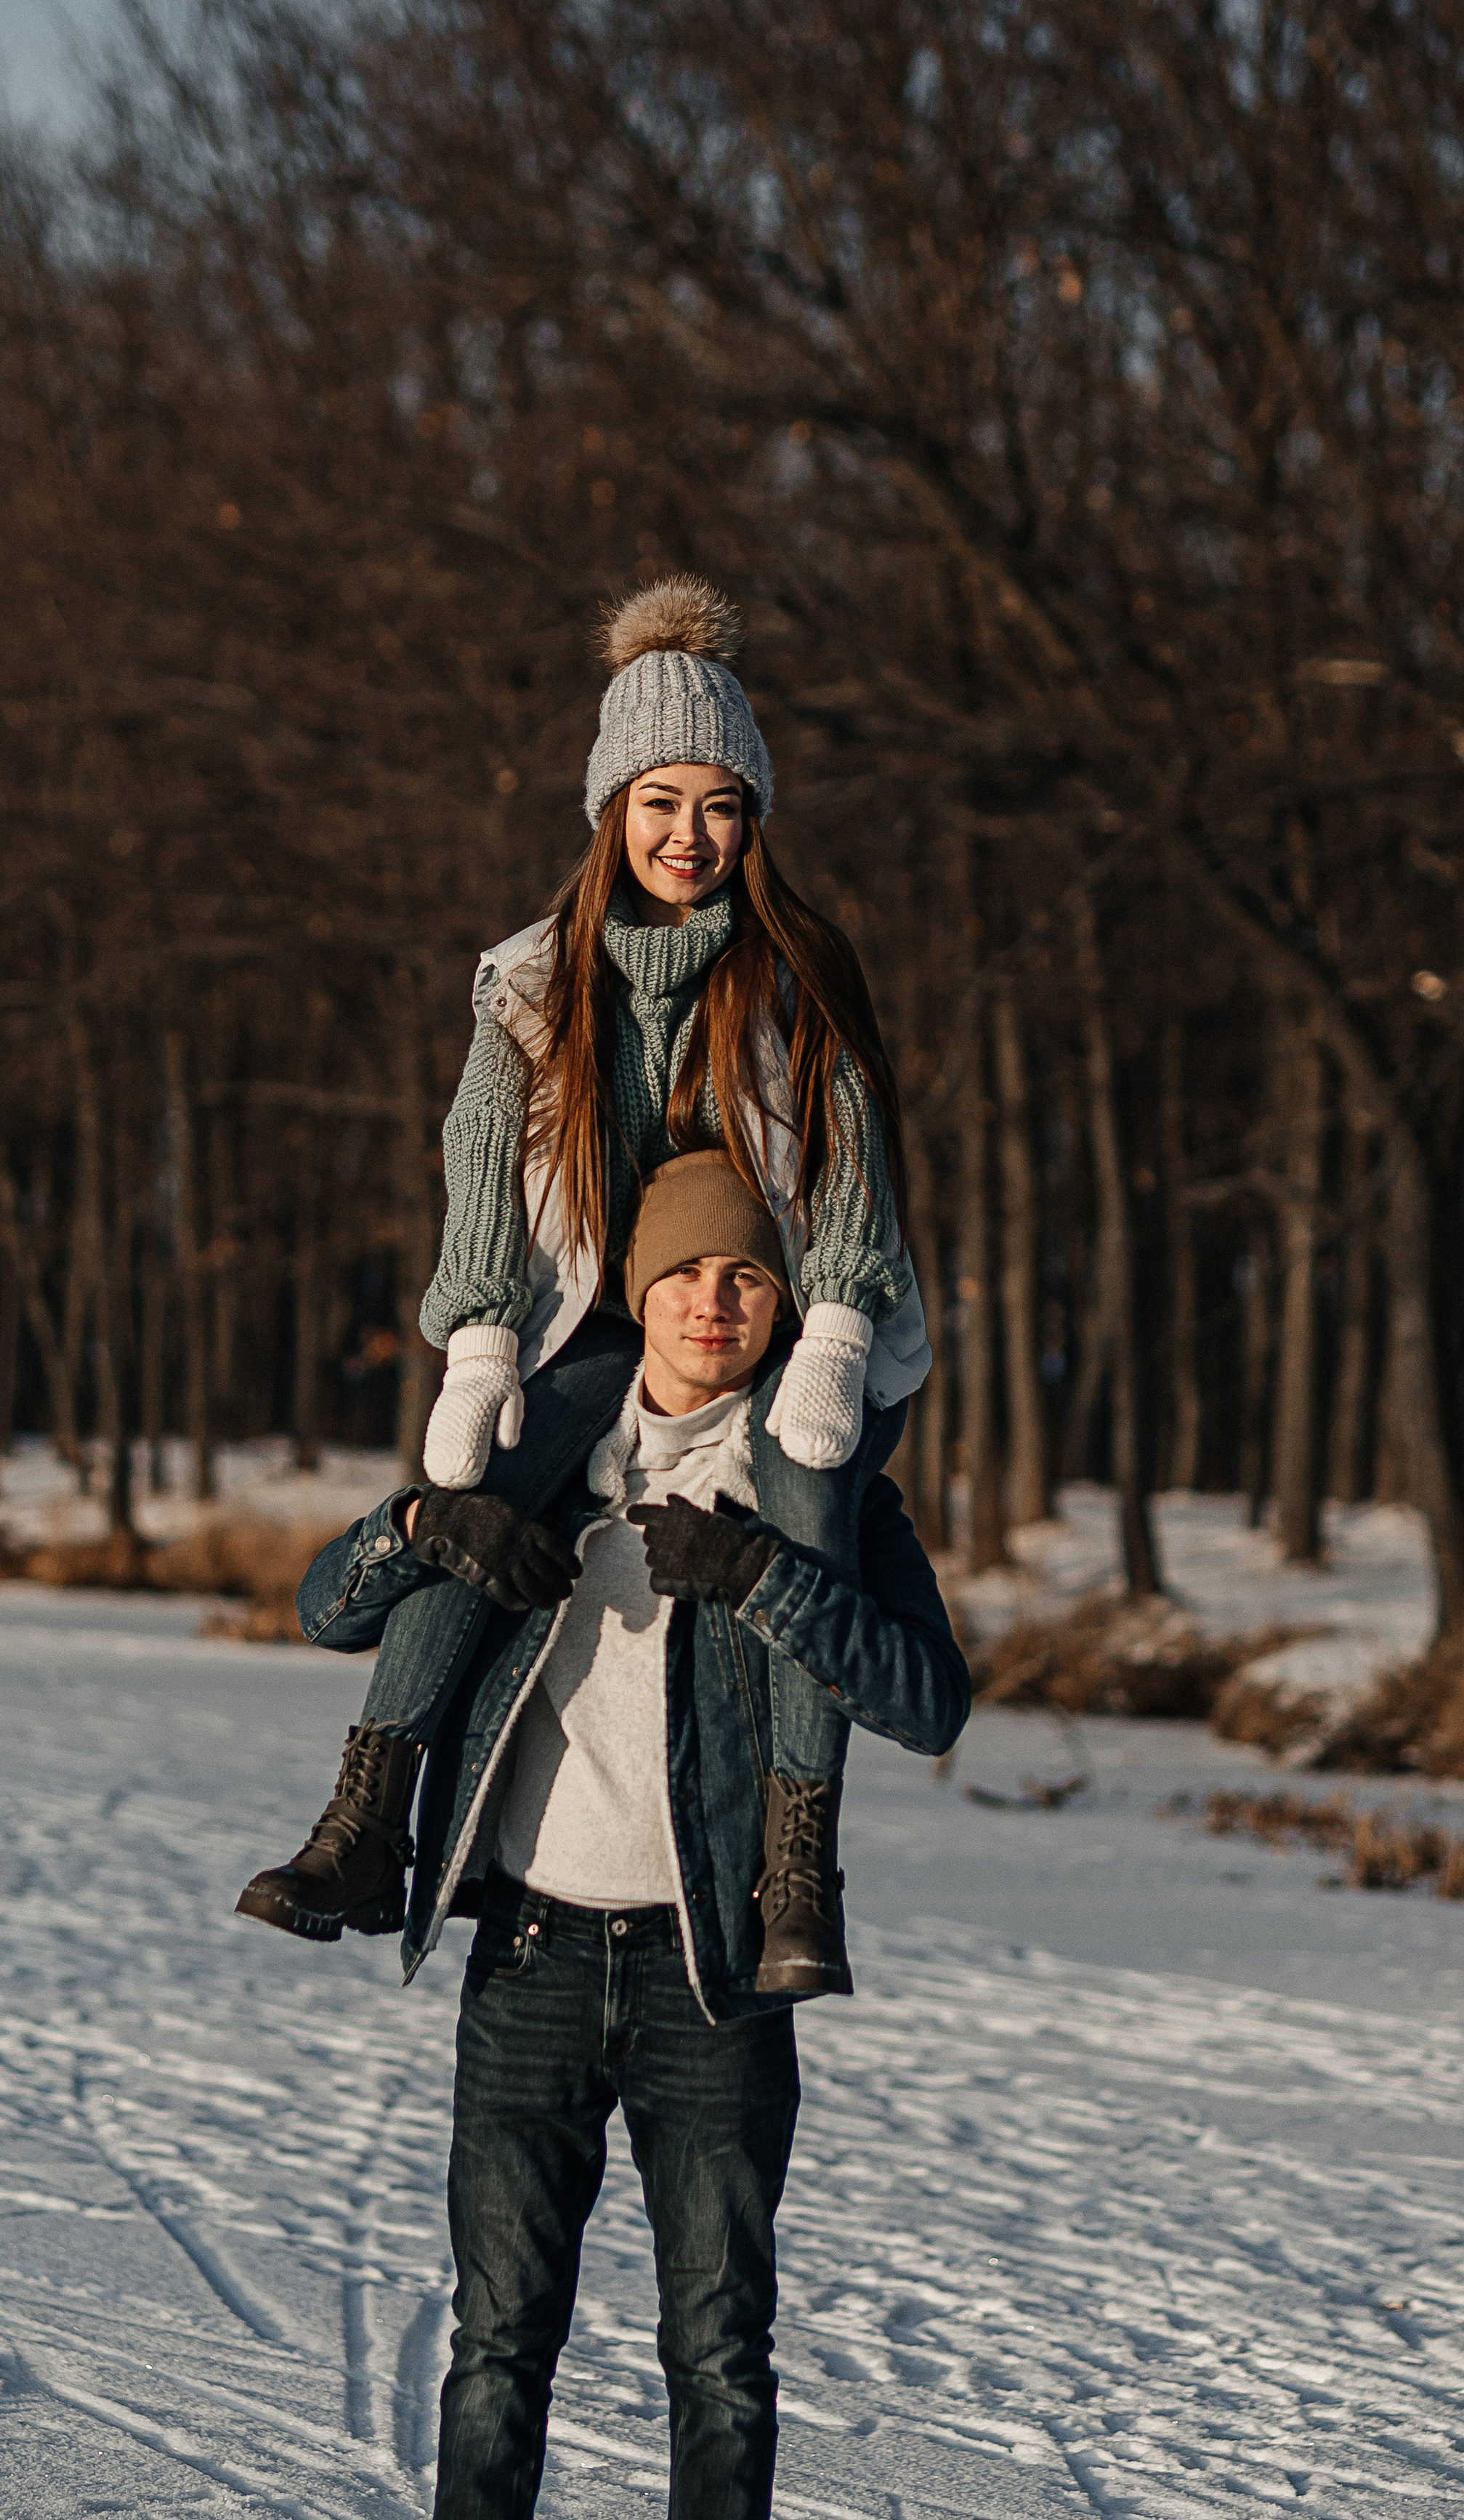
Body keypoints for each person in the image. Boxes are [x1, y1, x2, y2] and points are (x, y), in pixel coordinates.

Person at [293, 1154, 968, 2520]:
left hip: (709, 1985)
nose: (716, 1301)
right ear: (642, 1293)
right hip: (523, 1957)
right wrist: (417, 1524)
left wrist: (760, 1578)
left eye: (746, 1277)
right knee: (493, 2349)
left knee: (719, 2363)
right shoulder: (535, 1459)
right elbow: (327, 1606)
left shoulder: (824, 1491)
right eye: (685, 1276)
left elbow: (929, 1699)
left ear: (776, 1303)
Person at [235, 576, 930, 1993]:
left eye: (719, 805)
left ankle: (793, 1873)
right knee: (480, 1497)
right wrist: (478, 1357)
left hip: (790, 1327)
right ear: (610, 812)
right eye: (658, 802)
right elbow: (480, 1183)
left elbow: (855, 1177)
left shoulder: (799, 973)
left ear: (753, 822)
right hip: (591, 1331)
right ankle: (368, 1821)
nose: (689, 836)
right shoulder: (531, 989)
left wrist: (837, 1339)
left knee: (803, 1519)